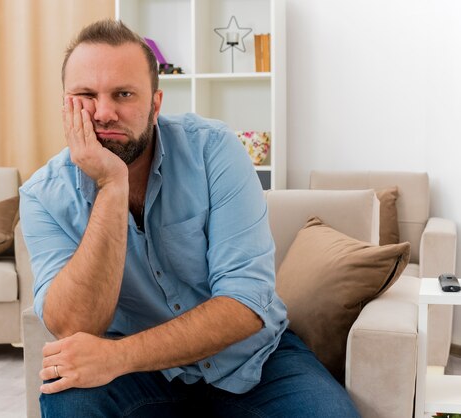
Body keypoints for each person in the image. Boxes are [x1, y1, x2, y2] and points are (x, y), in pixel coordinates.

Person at [19, 19, 360, 418]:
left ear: (156, 104)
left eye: (124, 94)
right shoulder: (43, 195)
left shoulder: (213, 149)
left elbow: (244, 303)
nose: (104, 112)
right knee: (68, 402)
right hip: (139, 378)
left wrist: (119, 356)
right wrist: (111, 185)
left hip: (253, 361)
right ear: (65, 104)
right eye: (85, 95)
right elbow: (76, 325)